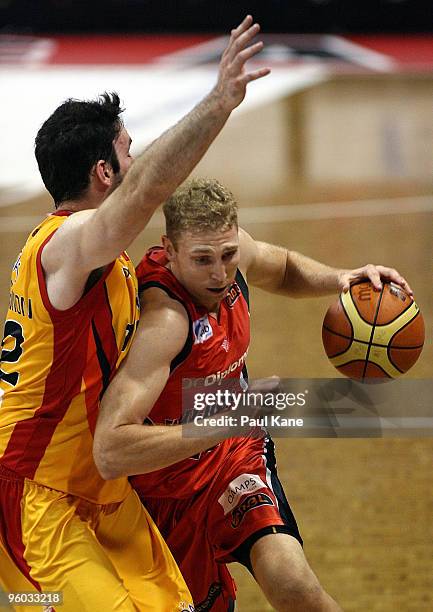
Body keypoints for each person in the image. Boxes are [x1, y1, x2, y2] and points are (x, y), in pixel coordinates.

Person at [0, 16, 270, 611]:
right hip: (39, 494)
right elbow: (145, 190)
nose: (138, 160)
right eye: (128, 152)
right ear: (104, 174)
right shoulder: (65, 245)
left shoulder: (110, 261)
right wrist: (219, 103)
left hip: (103, 484)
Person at [94, 177, 412, 611]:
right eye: (202, 260)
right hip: (161, 491)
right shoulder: (164, 325)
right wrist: (225, 422)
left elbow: (278, 267)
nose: (220, 274)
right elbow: (110, 450)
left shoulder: (233, 255)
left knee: (295, 585)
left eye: (228, 256)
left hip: (232, 457)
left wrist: (342, 279)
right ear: (169, 250)